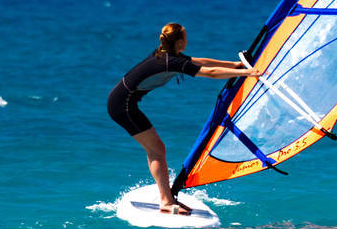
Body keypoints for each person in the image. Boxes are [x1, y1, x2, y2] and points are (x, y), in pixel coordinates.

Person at [107, 22, 259, 215]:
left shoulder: (168, 55)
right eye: (185, 37)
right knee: (157, 149)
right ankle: (166, 202)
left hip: (121, 102)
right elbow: (209, 73)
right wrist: (246, 72)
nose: (187, 40)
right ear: (180, 42)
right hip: (122, 106)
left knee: (155, 149)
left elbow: (200, 61)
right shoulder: (171, 61)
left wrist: (234, 65)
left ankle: (166, 198)